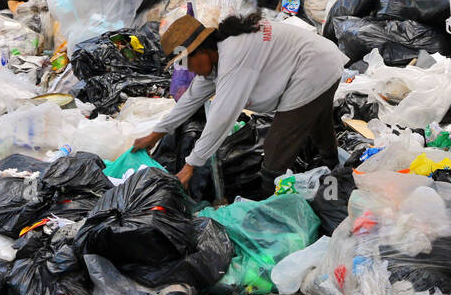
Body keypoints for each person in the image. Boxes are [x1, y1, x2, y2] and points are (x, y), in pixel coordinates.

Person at [134, 13, 348, 191]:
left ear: (202, 50)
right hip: (321, 61)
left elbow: (222, 116)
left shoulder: (234, 56)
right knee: (319, 124)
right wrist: (155, 135)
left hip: (315, 66)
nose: (189, 70)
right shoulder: (218, 56)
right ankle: (336, 171)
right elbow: (190, 99)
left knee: (276, 149)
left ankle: (269, 206)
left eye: (188, 62)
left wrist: (191, 165)